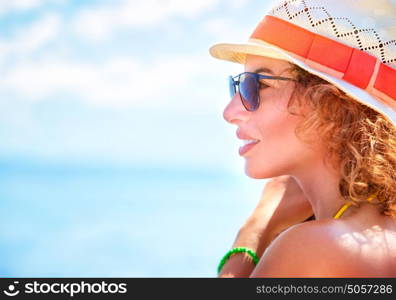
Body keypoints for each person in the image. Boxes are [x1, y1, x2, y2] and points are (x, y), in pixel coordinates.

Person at [209, 0, 396, 277]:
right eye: (237, 86)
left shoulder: (316, 248)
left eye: (257, 85)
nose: (230, 111)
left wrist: (257, 228)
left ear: (333, 104)